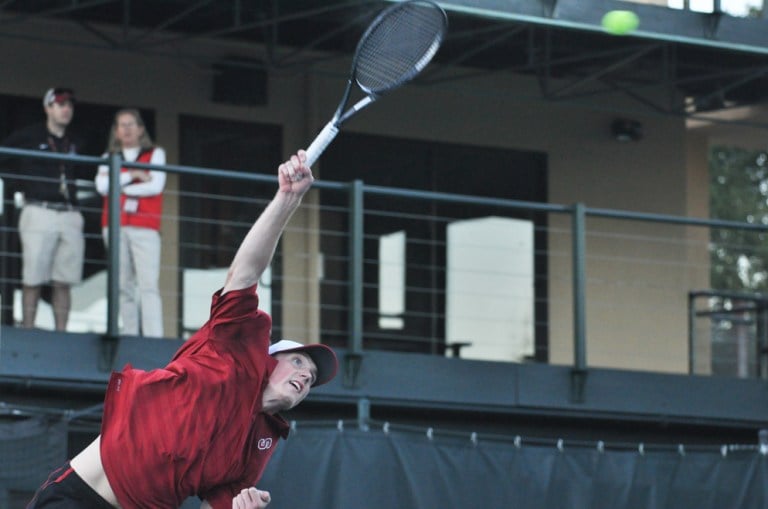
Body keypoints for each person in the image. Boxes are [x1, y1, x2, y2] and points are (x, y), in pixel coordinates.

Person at [27, 150, 339, 509]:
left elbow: (215, 504)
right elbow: (245, 273)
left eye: (312, 378)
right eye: (299, 362)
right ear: (269, 358)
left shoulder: (258, 445)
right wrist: (288, 198)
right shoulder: (234, 348)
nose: (305, 376)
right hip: (79, 497)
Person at [0, 87, 84, 331]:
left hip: (69, 212)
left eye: (69, 105)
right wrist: (20, 185)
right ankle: (28, 329)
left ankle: (62, 333)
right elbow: (4, 157)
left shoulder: (74, 140)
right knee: (33, 277)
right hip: (39, 210)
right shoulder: (29, 135)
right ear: (48, 108)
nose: (66, 109)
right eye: (60, 104)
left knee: (64, 280)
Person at [95, 108, 166, 337]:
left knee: (148, 284)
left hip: (145, 226)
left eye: (130, 124)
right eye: (121, 125)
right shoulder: (108, 157)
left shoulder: (155, 154)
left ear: (141, 129)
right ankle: (130, 332)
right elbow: (101, 187)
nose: (126, 129)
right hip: (114, 226)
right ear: (115, 131)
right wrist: (134, 175)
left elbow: (155, 186)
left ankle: (154, 335)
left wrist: (118, 184)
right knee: (122, 284)